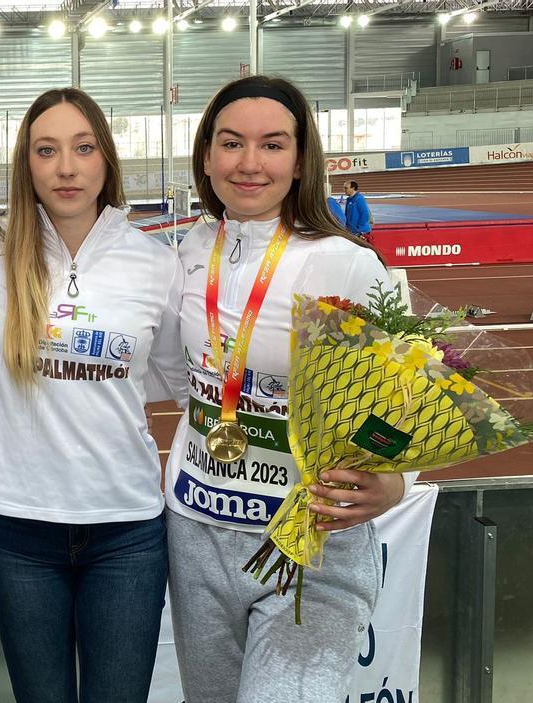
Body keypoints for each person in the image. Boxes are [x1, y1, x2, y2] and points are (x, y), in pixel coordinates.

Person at [162, 75, 411, 703]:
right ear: (207, 157)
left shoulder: (346, 263)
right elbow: (177, 374)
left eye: (272, 145)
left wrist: (395, 475)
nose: (250, 163)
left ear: (301, 160)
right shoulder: (190, 248)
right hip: (197, 536)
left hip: (310, 550)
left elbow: (401, 401)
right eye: (231, 143)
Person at [0, 87, 186, 703]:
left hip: (128, 530)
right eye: (46, 150)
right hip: (20, 529)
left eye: (83, 149)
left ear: (106, 159)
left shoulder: (154, 262)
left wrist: (97, 394)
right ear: (25, 163)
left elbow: (169, 376)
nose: (65, 167)